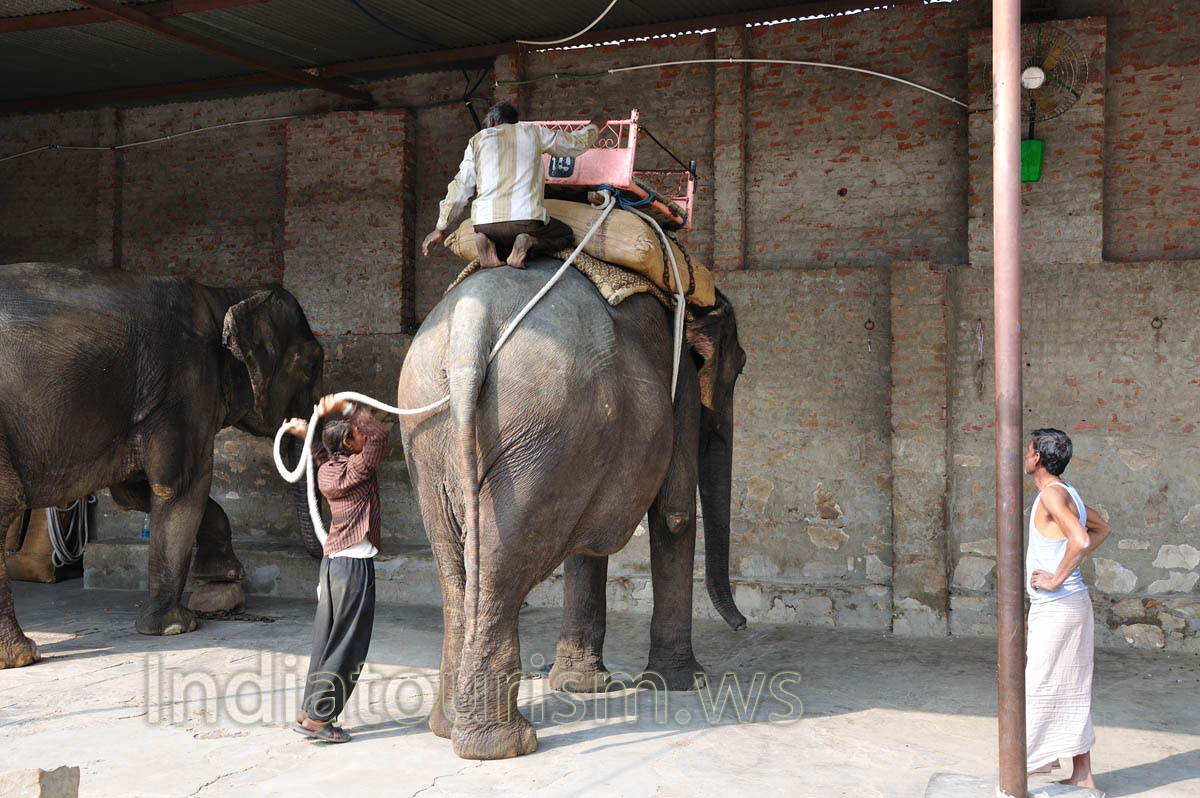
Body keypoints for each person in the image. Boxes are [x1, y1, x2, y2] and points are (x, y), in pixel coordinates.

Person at [283, 395, 389, 743]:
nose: (364, 438)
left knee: (325, 641)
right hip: (354, 568)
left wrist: (307, 437)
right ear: (348, 442)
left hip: (332, 567)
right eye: (357, 435)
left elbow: (322, 457)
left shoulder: (330, 470)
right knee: (347, 646)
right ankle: (319, 719)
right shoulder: (359, 468)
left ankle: (309, 710)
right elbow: (380, 436)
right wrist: (346, 409)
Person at [1023, 428, 1111, 788]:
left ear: (1037, 459)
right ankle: (1082, 776)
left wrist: (1057, 577)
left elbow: (1081, 538)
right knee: (1071, 686)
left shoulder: (1051, 496)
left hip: (1059, 604)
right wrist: (1068, 565)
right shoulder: (1066, 490)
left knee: (1040, 685)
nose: (1025, 456)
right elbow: (1102, 528)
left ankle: (1033, 761)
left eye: (1027, 451)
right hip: (1071, 606)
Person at [422, 101, 607, 269]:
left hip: (485, 224)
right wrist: (596, 125)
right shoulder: (533, 132)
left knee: (500, 239)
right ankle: (528, 242)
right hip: (526, 221)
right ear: (516, 121)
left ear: (492, 121)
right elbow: (575, 144)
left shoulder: (477, 141)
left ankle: (486, 243)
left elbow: (461, 186)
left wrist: (440, 228)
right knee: (565, 235)